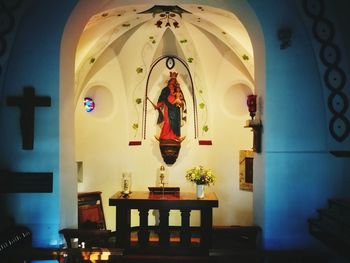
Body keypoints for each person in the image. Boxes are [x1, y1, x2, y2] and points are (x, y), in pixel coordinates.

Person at [155, 72, 186, 142]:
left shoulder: (177, 90)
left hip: (176, 108)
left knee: (176, 122)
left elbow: (182, 99)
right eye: (172, 81)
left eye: (174, 81)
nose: (173, 83)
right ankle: (163, 137)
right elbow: (162, 98)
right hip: (168, 107)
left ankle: (175, 137)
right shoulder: (165, 90)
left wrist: (181, 103)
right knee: (168, 121)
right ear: (169, 82)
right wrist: (158, 105)